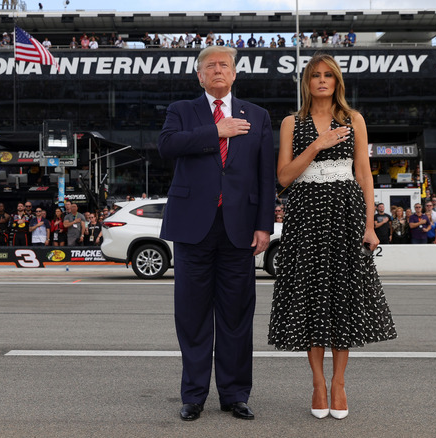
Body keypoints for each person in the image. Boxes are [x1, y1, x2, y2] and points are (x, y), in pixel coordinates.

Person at [268, 53, 396, 421]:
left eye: (329, 75)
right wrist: (317, 145)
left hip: (346, 213)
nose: (322, 80)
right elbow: (284, 177)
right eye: (315, 76)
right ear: (306, 82)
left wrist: (370, 225)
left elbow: (365, 175)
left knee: (343, 297)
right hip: (306, 215)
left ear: (337, 81)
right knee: (309, 297)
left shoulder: (354, 119)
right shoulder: (292, 122)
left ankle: (339, 383)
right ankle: (318, 383)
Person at [158, 45, 275, 422]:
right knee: (191, 317)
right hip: (193, 229)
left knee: (237, 316)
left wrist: (264, 225)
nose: (218, 70)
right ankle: (193, 396)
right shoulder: (182, 110)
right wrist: (216, 131)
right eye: (210, 66)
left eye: (224, 64)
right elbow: (167, 146)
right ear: (199, 75)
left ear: (235, 73)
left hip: (240, 230)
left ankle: (235, 395)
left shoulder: (257, 116)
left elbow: (265, 175)